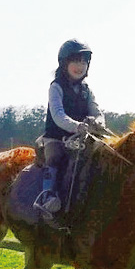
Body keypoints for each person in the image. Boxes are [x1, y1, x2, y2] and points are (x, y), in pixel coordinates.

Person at [35, 39, 107, 221]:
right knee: (55, 157)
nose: (80, 66)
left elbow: (98, 112)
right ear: (64, 63)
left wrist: (97, 123)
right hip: (56, 138)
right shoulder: (56, 87)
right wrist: (77, 125)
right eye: (75, 61)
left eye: (84, 62)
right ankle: (47, 195)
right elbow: (58, 115)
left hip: (82, 139)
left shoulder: (87, 90)